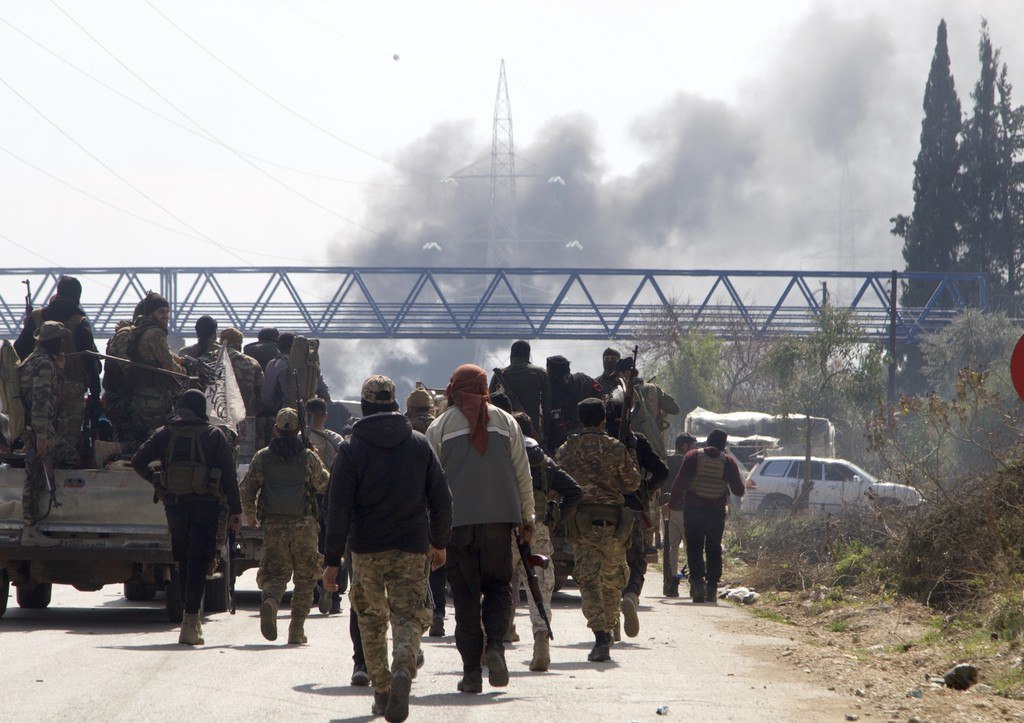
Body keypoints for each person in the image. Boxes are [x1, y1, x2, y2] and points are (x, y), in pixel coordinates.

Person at [323, 376, 452, 722]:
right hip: (411, 546)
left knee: (370, 619)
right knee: (408, 615)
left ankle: (381, 691)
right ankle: (404, 668)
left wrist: (332, 560)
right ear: (396, 404)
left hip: (365, 549)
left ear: (364, 406)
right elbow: (442, 499)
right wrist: (439, 542)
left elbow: (337, 509)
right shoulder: (419, 444)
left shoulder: (350, 449)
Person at [424, 364, 534, 694]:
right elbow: (522, 473)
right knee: (499, 588)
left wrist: (431, 531)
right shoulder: (507, 422)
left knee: (466, 597)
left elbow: (430, 484)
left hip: (457, 527)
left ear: (454, 389)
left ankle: (472, 672)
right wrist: (527, 518)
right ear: (484, 387)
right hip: (500, 523)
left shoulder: (440, 426)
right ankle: (496, 647)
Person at [131, 390, 242, 645]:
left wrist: (158, 481)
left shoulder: (164, 433)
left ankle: (187, 617)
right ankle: (191, 622)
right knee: (198, 563)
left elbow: (138, 461)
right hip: (206, 506)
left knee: (182, 560)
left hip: (175, 505)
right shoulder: (214, 435)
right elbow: (228, 476)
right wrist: (236, 511)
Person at [555, 398, 639, 662]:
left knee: (588, 580)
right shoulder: (616, 447)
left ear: (581, 419)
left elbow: (555, 481)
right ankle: (609, 627)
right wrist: (631, 452)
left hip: (583, 524)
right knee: (612, 580)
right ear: (603, 420)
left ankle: (601, 635)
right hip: (614, 525)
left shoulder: (567, 449)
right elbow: (632, 483)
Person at [239, 407, 330, 644]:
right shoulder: (307, 457)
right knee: (305, 578)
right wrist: (314, 454)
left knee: (275, 573)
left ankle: (271, 601)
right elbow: (323, 483)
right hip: (304, 526)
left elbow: (247, 489)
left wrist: (251, 515)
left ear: (275, 429)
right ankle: (296, 630)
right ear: (299, 430)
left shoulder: (263, 457)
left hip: (274, 525)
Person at [512, 412, 582, 672]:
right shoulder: (542, 460)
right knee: (538, 586)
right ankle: (541, 637)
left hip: (504, 528)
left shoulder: (501, 454)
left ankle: (491, 643)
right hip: (537, 528)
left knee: (496, 585)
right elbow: (574, 491)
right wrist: (555, 517)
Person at [14, 275, 101, 467]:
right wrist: (95, 396)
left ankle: (38, 471)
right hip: (72, 391)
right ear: (77, 296)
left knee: (39, 438)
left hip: (37, 388)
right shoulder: (80, 322)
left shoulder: (36, 317)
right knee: (67, 441)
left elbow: (18, 350)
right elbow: (91, 363)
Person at [605, 401, 668, 639]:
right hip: (632, 511)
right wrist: (646, 489)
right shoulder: (637, 441)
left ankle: (611, 622)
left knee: (606, 566)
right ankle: (631, 595)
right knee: (636, 562)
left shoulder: (598, 443)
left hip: (603, 514)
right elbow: (662, 471)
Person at [668, 428, 745, 603]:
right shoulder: (729, 461)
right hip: (716, 513)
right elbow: (739, 491)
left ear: (708, 441)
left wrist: (672, 504)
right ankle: (711, 588)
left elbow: (679, 483)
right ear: (723, 445)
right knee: (714, 548)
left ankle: (698, 584)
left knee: (694, 547)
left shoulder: (692, 456)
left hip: (693, 510)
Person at [18, 321, 69, 546]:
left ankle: (32, 527)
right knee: (35, 477)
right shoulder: (44, 364)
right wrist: (42, 436)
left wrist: (60, 370)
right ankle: (30, 528)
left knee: (35, 475)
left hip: (32, 427)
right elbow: (41, 401)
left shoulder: (33, 359)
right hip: (38, 429)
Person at [405, 386, 445, 635]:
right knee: (438, 560)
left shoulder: (406, 431)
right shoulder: (441, 426)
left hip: (414, 506)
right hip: (439, 502)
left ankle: (421, 614)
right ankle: (438, 612)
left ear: (409, 408)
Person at [126, 292, 186, 443]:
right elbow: (169, 365)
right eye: (161, 312)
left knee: (142, 441)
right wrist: (185, 373)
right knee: (157, 440)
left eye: (167, 312)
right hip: (155, 397)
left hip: (141, 395)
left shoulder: (140, 330)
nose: (165, 316)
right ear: (150, 313)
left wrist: (181, 360)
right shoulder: (155, 332)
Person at [308, 396, 344, 615]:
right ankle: (334, 596)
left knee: (310, 546)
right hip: (331, 497)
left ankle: (316, 589)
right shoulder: (335, 439)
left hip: (308, 499)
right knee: (330, 545)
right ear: (325, 416)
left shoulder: (301, 439)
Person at [488, 340, 551, 438]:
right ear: (528, 355)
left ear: (511, 355)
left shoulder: (500, 375)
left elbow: (490, 403)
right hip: (533, 430)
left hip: (505, 430)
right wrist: (547, 432)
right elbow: (547, 405)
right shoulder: (540, 373)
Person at [260, 332, 331, 416]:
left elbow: (266, 396)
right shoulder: (310, 364)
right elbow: (325, 395)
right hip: (309, 416)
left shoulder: (276, 363)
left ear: (278, 347)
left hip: (285, 415)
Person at [545, 355, 602, 453]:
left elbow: (600, 396)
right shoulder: (549, 389)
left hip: (587, 438)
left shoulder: (584, 381)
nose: (554, 383)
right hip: (559, 443)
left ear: (567, 375)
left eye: (557, 380)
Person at [662, 433, 696, 597]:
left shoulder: (666, 461)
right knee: (691, 547)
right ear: (685, 447)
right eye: (693, 446)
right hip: (687, 510)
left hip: (668, 509)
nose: (695, 449)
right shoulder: (690, 462)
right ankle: (694, 582)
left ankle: (672, 582)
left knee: (672, 547)